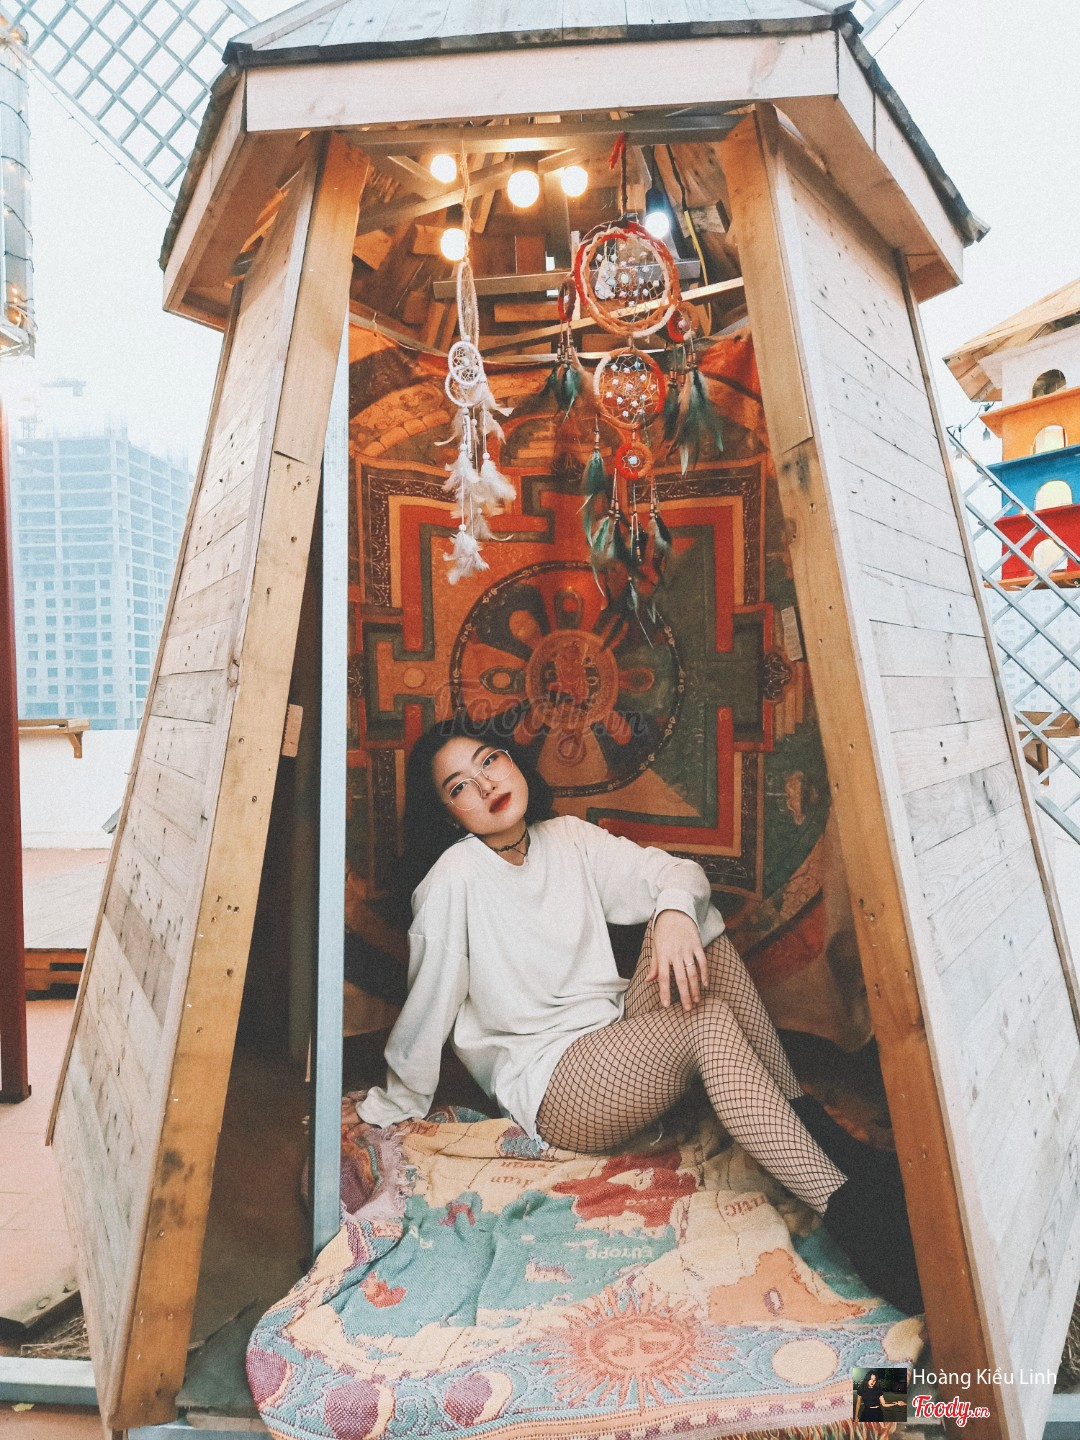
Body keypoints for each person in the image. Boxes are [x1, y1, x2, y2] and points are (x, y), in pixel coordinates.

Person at [358, 712, 922, 1314]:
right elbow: (429, 1000)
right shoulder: (454, 878)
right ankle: (855, 1215)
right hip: (554, 1086)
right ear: (450, 815)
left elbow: (677, 873)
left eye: (489, 761)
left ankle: (822, 1137)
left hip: (616, 1040)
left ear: (511, 759)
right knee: (705, 1020)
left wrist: (674, 913)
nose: (486, 783)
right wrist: (396, 1102)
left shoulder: (566, 838)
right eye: (459, 786)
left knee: (692, 923)